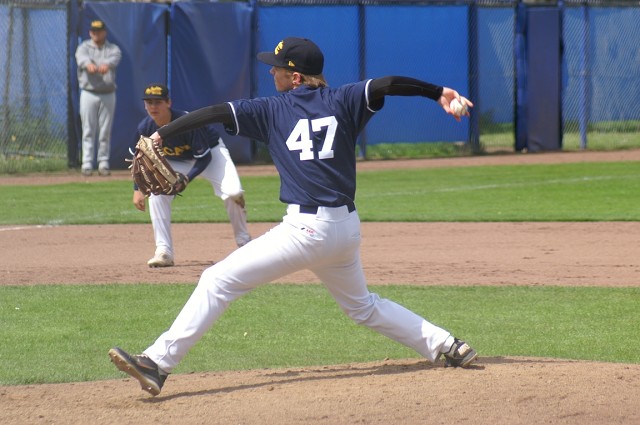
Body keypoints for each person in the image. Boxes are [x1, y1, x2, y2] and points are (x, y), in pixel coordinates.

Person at [109, 37, 477, 396]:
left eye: (277, 68)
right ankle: (447, 344)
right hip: (345, 229)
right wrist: (438, 92)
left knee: (216, 280)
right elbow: (388, 83)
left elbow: (216, 112)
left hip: (306, 230)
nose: (272, 73)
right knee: (363, 307)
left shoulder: (271, 110)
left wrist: (163, 134)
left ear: (296, 77)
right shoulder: (344, 99)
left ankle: (157, 363)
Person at [133, 84, 251, 267]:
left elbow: (204, 158)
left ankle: (245, 244)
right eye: (149, 102)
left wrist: (187, 179)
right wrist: (137, 189)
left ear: (168, 103)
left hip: (211, 154)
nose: (153, 106)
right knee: (157, 192)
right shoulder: (145, 127)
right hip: (176, 161)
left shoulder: (185, 121)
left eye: (158, 102)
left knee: (233, 192)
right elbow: (139, 160)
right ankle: (164, 251)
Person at [75, 19, 121, 177]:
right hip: (89, 92)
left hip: (108, 92)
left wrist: (105, 65)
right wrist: (89, 64)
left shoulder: (112, 48)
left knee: (105, 130)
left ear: (104, 32)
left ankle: (103, 163)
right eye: (94, 31)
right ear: (90, 32)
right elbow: (82, 59)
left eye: (99, 31)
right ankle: (87, 163)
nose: (96, 34)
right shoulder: (83, 47)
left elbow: (113, 60)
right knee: (88, 129)